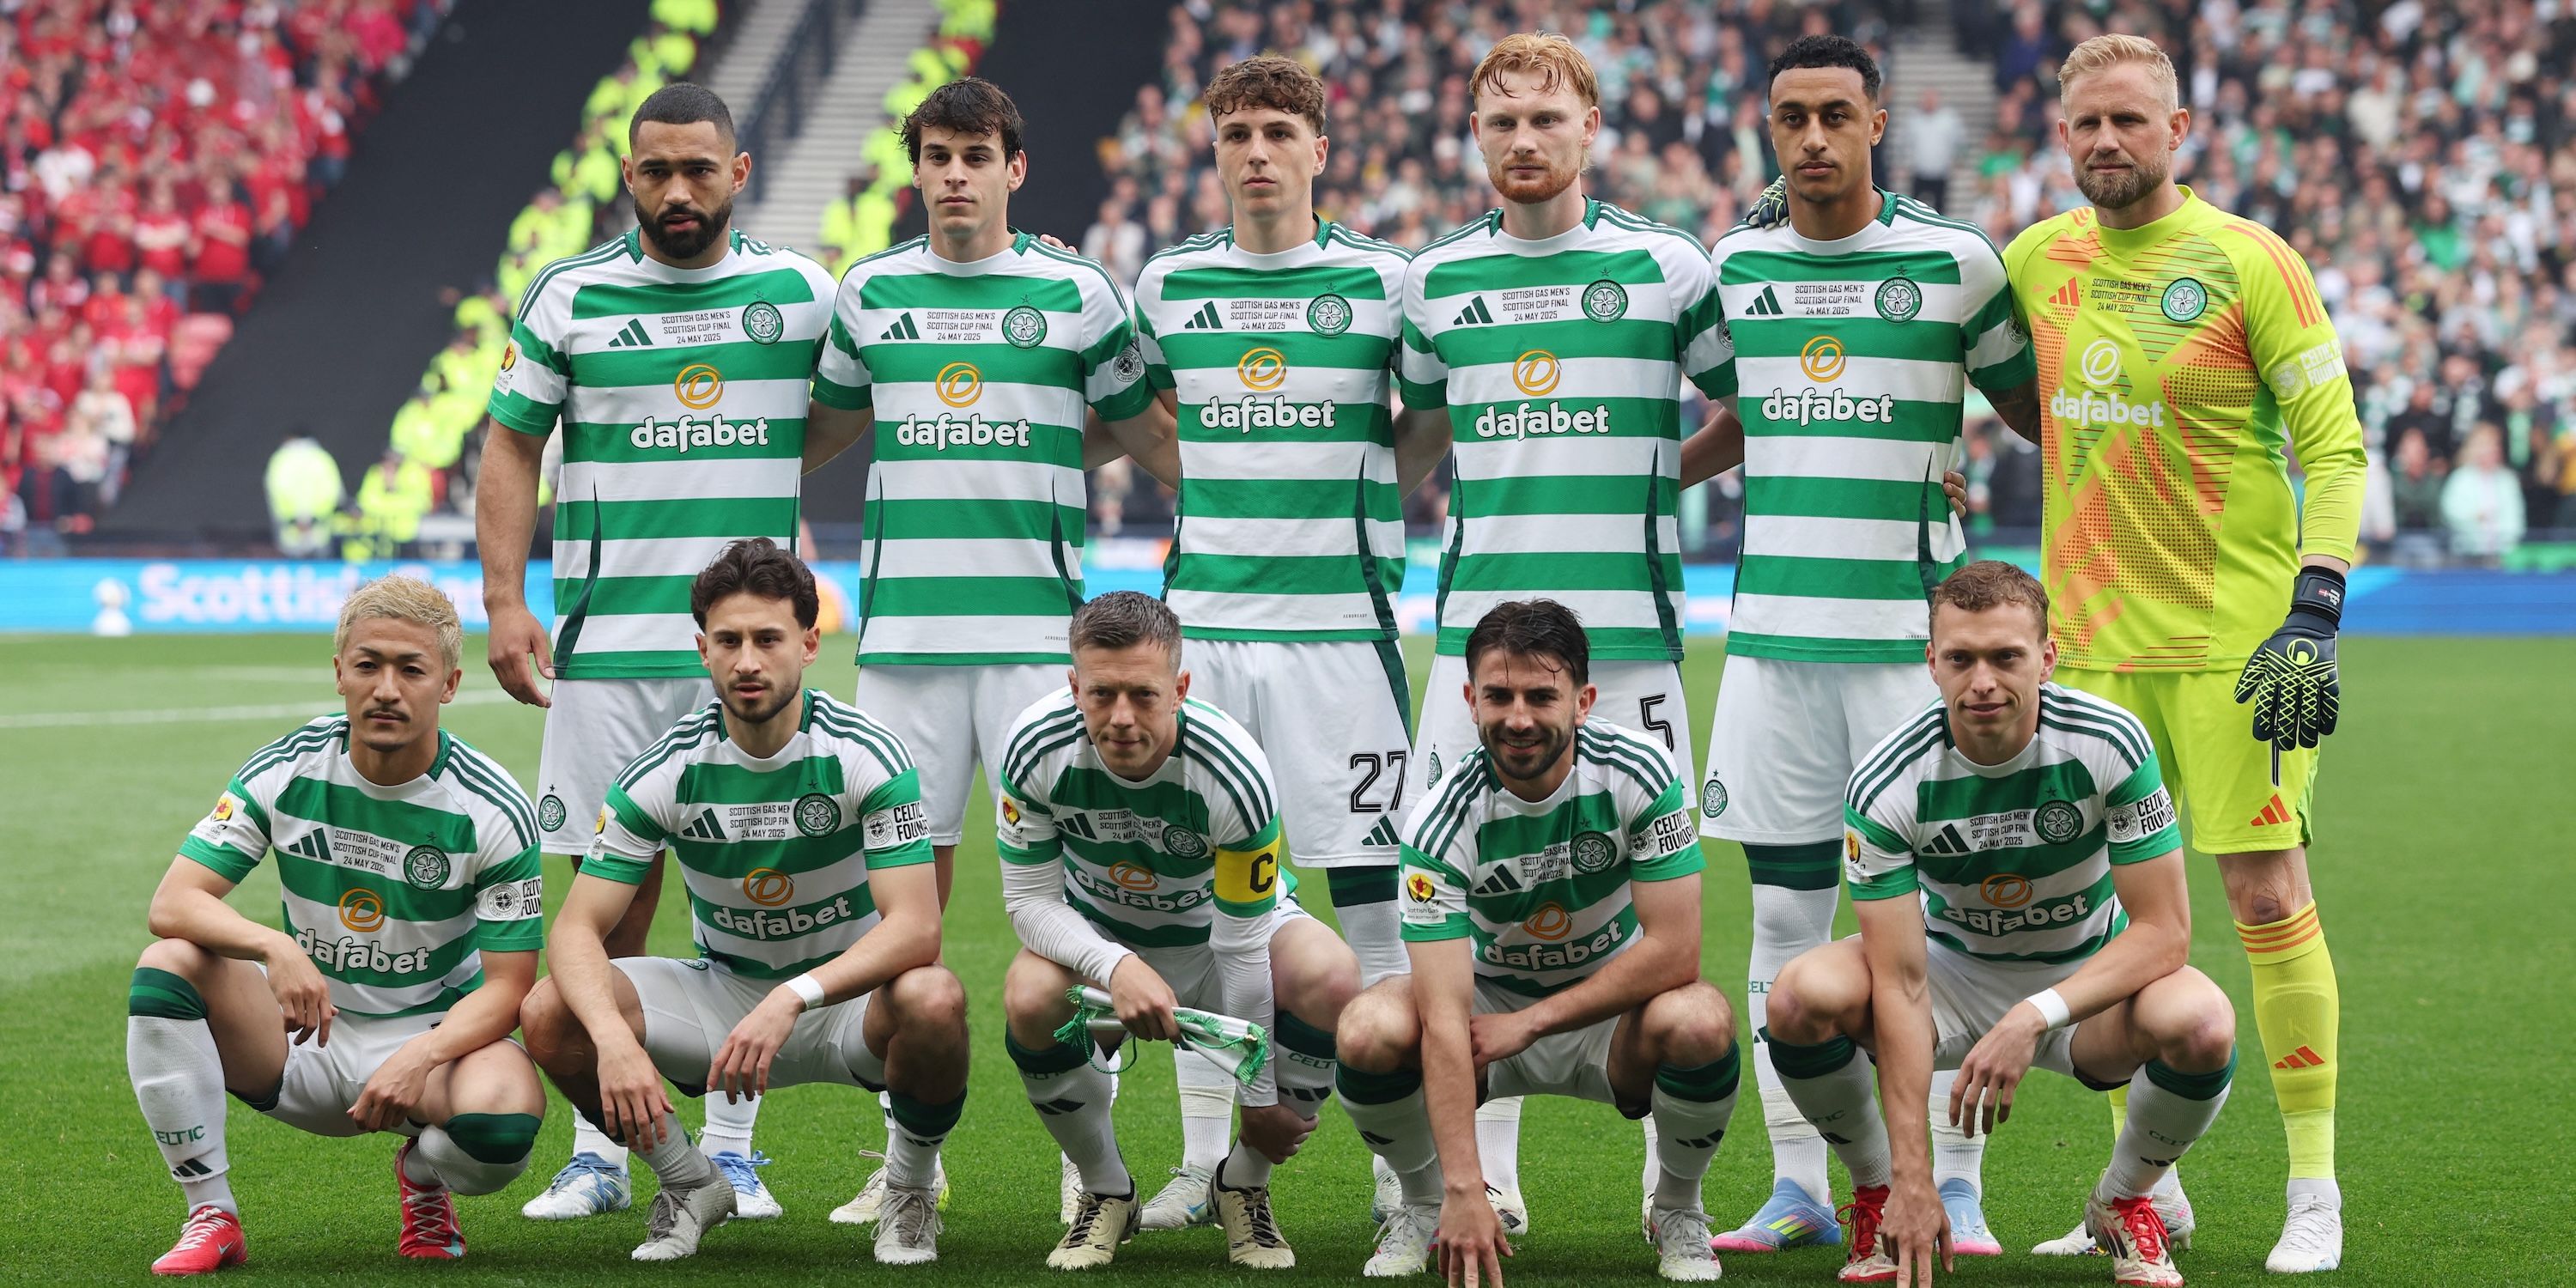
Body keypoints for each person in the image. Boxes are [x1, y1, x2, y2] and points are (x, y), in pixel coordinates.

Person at [2002, 35, 2367, 1271]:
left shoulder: (2250, 261)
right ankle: (2145, 1189)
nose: (2106, 141)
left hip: (2233, 647)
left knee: (2266, 897)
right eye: (2086, 123)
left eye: (2129, 120)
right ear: (2062, 135)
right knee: (2105, 917)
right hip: (2086, 655)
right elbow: (1949, 350)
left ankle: (2313, 1188)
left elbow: (2335, 448)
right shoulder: (2035, 259)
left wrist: (2315, 609)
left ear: (2179, 131)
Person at [1694, 35, 2043, 1257]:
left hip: (1914, 648)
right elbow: (1746, 416)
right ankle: (1801, 1182)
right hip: (1773, 645)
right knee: (1784, 927)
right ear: (1769, 129)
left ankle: (1955, 1187)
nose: (1813, 138)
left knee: (1940, 929)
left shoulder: (1954, 262)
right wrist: (1649, 478)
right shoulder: (1734, 266)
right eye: (1791, 117)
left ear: (1878, 124)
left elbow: (2039, 413)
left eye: (1835, 115)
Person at [803, 76, 1166, 1224]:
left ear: (1015, 168)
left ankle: (1089, 1157)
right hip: (904, 648)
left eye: (975, 156)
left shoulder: (1077, 292)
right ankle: (910, 1170)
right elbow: (814, 431)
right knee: (901, 918)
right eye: (936, 155)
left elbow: (1150, 432)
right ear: (915, 169)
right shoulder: (870, 295)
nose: (954, 174)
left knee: (1075, 904)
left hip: (1034, 650)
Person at [478, 82, 840, 1221]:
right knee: (610, 912)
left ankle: (731, 1153)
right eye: (655, 171)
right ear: (627, 176)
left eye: (698, 169)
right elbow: (510, 447)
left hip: (747, 658)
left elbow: (884, 375)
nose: (677, 190)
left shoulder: (802, 294)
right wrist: (503, 600)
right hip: (606, 653)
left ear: (740, 174)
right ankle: (601, 1153)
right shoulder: (570, 295)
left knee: (757, 909)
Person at [1394, 31, 1736, 1230]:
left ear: (1592, 127)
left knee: (1654, 905)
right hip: (1477, 654)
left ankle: (1672, 1195)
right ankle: (1487, 1181)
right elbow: (1415, 441)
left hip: (1629, 643)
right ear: (1473, 137)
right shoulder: (1434, 280)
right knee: (1472, 902)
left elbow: (1750, 405)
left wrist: (1657, 480)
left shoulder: (1667, 267)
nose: (1524, 139)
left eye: (1547, 118)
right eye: (1502, 122)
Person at [1124, 52, 1451, 1230]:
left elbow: (1430, 419)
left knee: (1373, 902)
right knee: (1202, 908)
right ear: (1213, 152)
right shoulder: (1168, 284)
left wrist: (1364, 493)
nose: (1256, 152)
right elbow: (1139, 413)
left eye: (1277, 132)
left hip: (1340, 638)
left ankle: (1399, 1171)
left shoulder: (1384, 281)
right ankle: (1204, 1162)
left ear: (1320, 148)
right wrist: (1208, 478)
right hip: (1205, 639)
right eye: (1236, 134)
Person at [1765, 560, 2237, 1288]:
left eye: (2005, 657)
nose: (1982, 681)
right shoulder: (1888, 780)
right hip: (1949, 978)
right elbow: (1900, 981)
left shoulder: (2110, 741)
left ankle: (2122, 1200)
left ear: (2047, 658)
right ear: (1932, 662)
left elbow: (2164, 933)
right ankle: (1880, 1194)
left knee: (2202, 1022)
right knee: (1799, 998)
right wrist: (1913, 1175)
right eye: (1961, 659)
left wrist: (2033, 1015)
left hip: (2087, 981)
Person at [515, 538, 969, 1263]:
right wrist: (611, 1039)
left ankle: (909, 1189)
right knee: (550, 1012)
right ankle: (689, 1181)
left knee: (935, 996)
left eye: (768, 639)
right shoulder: (665, 770)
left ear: (809, 644)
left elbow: (917, 928)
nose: (747, 661)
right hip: (723, 998)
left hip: (846, 1002)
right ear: (703, 650)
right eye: (728, 641)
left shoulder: (864, 752)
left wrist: (793, 996)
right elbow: (575, 930)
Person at [125, 576, 546, 1274]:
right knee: (167, 964)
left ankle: (424, 1177)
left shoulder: (491, 808)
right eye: (368, 665)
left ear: (448, 684)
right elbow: (173, 903)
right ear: (339, 674)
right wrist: (273, 945)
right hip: (300, 1035)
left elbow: (510, 989)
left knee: (502, 1127)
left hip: (430, 1044)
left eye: (411, 670)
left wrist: (423, 1054)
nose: (386, 690)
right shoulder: (289, 766)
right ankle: (211, 1213)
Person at [1339, 598, 1738, 1283]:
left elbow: (1676, 951)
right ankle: (1425, 1201)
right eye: (1499, 696)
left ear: (1582, 702)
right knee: (1368, 1029)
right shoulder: (1439, 823)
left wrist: (1531, 1023)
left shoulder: (1639, 771)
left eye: (1540, 696)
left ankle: (1677, 1207)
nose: (1518, 718)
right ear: (1471, 701)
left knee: (1700, 1018)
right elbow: (1442, 1012)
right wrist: (1464, 1186)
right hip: (1484, 1011)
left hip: (1611, 1014)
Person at [993, 591, 1358, 1269]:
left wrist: (1258, 1100)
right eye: (1101, 694)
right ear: (1074, 686)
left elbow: (1243, 949)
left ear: (1180, 688)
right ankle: (1107, 1191)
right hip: (1103, 940)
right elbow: (1029, 903)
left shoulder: (1232, 769)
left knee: (1331, 974)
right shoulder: (1035, 746)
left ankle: (1242, 1184)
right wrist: (1115, 964)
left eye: (1143, 695)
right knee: (1029, 994)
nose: (1121, 717)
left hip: (1222, 944)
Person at [2439, 423, 2525, 562]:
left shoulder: (2508, 480)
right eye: (2486, 445)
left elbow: (2515, 519)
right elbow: (2452, 514)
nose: (2492, 450)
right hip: (2467, 554)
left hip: (2502, 555)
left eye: (2495, 445)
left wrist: (2505, 546)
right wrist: (2475, 517)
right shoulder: (2460, 479)